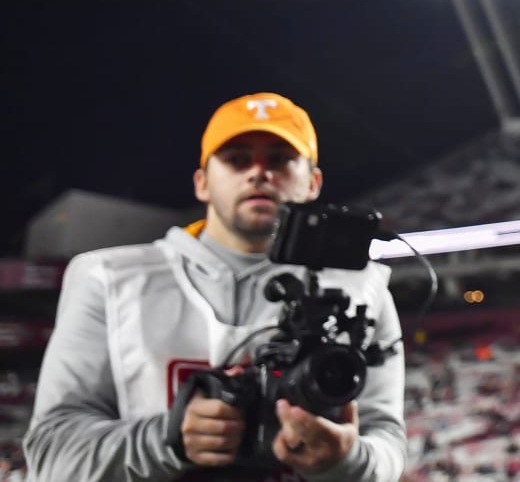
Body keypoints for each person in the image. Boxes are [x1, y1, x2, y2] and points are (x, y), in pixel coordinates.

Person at [25, 93, 406, 481]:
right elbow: (52, 456)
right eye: (237, 159)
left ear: (313, 182)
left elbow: (387, 446)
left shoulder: (365, 290)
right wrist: (168, 440)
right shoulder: (108, 278)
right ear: (202, 182)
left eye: (280, 158)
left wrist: (346, 460)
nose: (259, 172)